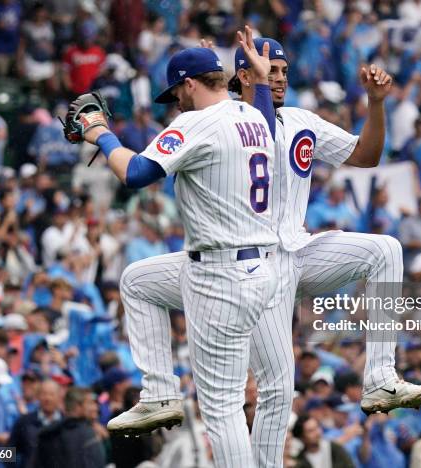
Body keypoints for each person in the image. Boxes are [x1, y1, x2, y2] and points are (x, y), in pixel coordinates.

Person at [108, 31, 421, 468]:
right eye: (271, 72)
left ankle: (380, 378)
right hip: (259, 261)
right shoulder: (229, 121)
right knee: (277, 388)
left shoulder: (297, 121)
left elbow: (366, 155)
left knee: (385, 250)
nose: (279, 79)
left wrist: (376, 104)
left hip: (293, 249)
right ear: (241, 76)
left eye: (283, 71)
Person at [77, 37, 278, 467]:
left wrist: (102, 136)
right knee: (138, 281)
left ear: (188, 85)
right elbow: (260, 104)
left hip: (221, 274)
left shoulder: (196, 123)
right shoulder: (256, 116)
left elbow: (134, 173)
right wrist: (258, 81)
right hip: (254, 266)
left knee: (222, 407)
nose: (176, 104)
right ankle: (159, 393)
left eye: (176, 93)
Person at [33, 387, 104, 468]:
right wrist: (14, 463)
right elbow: (15, 446)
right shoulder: (24, 422)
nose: (94, 408)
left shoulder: (47, 433)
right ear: (78, 406)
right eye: (89, 403)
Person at [8, 379, 62, 468]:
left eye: (52, 394)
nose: (47, 398)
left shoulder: (67, 425)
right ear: (38, 396)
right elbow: (8, 453)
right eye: (44, 394)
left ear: (59, 397)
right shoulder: (24, 422)